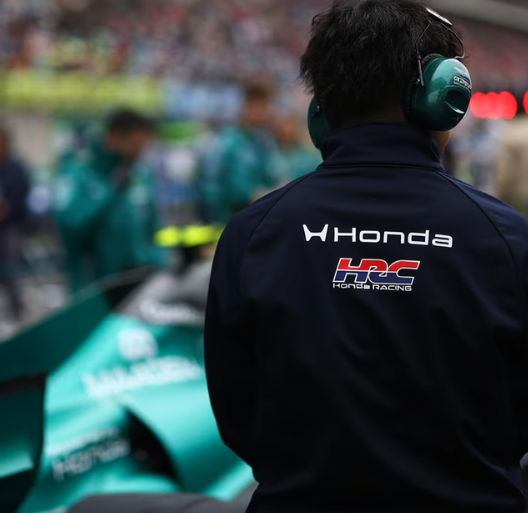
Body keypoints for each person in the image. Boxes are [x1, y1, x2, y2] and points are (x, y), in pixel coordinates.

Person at [205, 2, 528, 512]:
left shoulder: (251, 233)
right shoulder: (508, 239)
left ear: (321, 107)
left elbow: (236, 411)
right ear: (444, 97)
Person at [54, 109, 163, 294]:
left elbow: (153, 228)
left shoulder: (139, 175)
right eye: (135, 144)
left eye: (144, 145)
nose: (139, 152)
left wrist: (157, 261)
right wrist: (110, 192)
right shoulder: (80, 172)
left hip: (136, 285)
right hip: (93, 288)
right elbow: (70, 225)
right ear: (115, 137)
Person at [198, 81, 276, 224]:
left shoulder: (260, 143)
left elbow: (267, 178)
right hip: (227, 222)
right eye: (264, 106)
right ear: (249, 106)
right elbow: (212, 188)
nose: (268, 112)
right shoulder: (225, 142)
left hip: (253, 220)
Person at [0, 126, 31, 339]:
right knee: (2, 270)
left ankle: (15, 311)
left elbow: (23, 194)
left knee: (11, 268)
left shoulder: (16, 167)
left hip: (13, 225)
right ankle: (14, 307)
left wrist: (7, 209)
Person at [268, 114, 322, 187]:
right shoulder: (269, 156)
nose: (286, 130)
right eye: (282, 126)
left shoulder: (309, 156)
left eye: (289, 125)